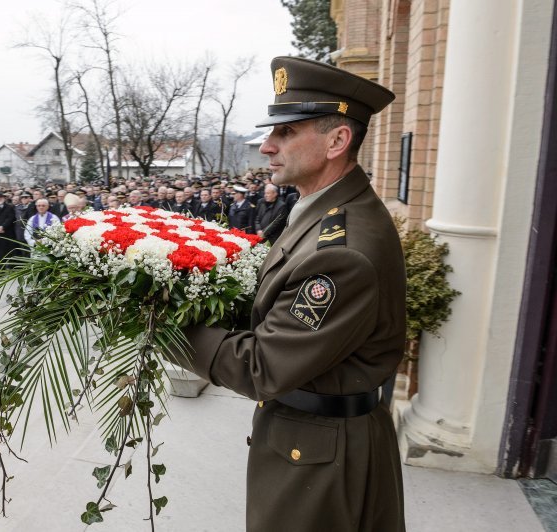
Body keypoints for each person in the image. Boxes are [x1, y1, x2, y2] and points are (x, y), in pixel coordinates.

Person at [171, 56, 404, 531]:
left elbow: (264, 366)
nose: (266, 147)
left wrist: (158, 326)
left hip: (324, 458)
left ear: (338, 140)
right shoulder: (322, 210)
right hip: (311, 442)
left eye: (287, 133)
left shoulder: (343, 251)